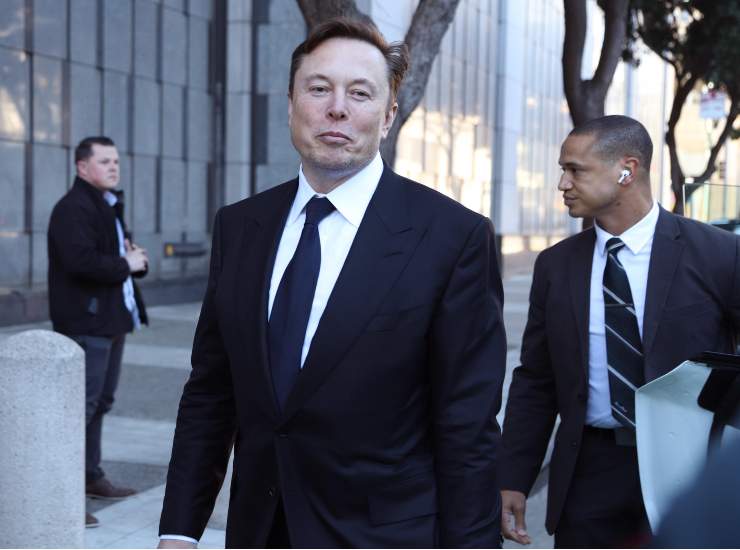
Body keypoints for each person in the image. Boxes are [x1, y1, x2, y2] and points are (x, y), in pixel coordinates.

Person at [158, 17, 507, 549]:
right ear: (291, 104)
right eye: (319, 88)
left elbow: (468, 427)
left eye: (360, 93)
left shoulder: (452, 238)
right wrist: (179, 532)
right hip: (257, 533)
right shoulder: (240, 226)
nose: (337, 108)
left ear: (388, 116)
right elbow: (211, 393)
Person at [498, 115, 740, 548]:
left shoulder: (719, 254)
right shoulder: (555, 266)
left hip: (691, 464)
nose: (563, 184)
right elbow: (536, 380)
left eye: (575, 170)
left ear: (626, 170)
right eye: (563, 170)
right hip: (589, 473)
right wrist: (513, 478)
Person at [47, 136, 149, 528]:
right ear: (81, 167)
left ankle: (90, 476)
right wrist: (126, 263)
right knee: (80, 409)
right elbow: (81, 262)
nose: (113, 167)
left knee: (100, 402)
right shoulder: (72, 209)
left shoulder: (107, 204)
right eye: (104, 161)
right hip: (85, 323)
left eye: (116, 161)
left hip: (110, 321)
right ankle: (62, 496)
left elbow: (116, 256)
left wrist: (134, 261)